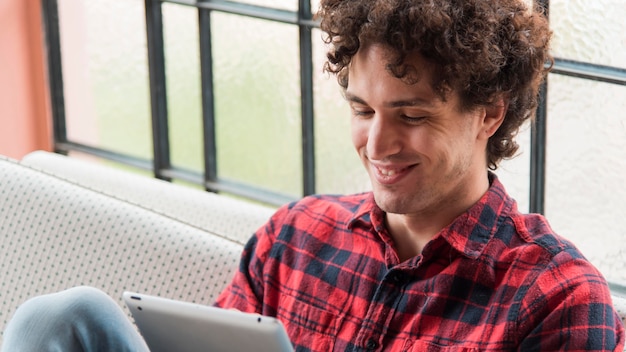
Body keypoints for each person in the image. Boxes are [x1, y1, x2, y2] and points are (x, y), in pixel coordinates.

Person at [2, 0, 624, 351]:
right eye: (361, 110)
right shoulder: (295, 237)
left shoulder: (558, 299)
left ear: (488, 113)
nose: (376, 143)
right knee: (66, 318)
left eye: (411, 115)